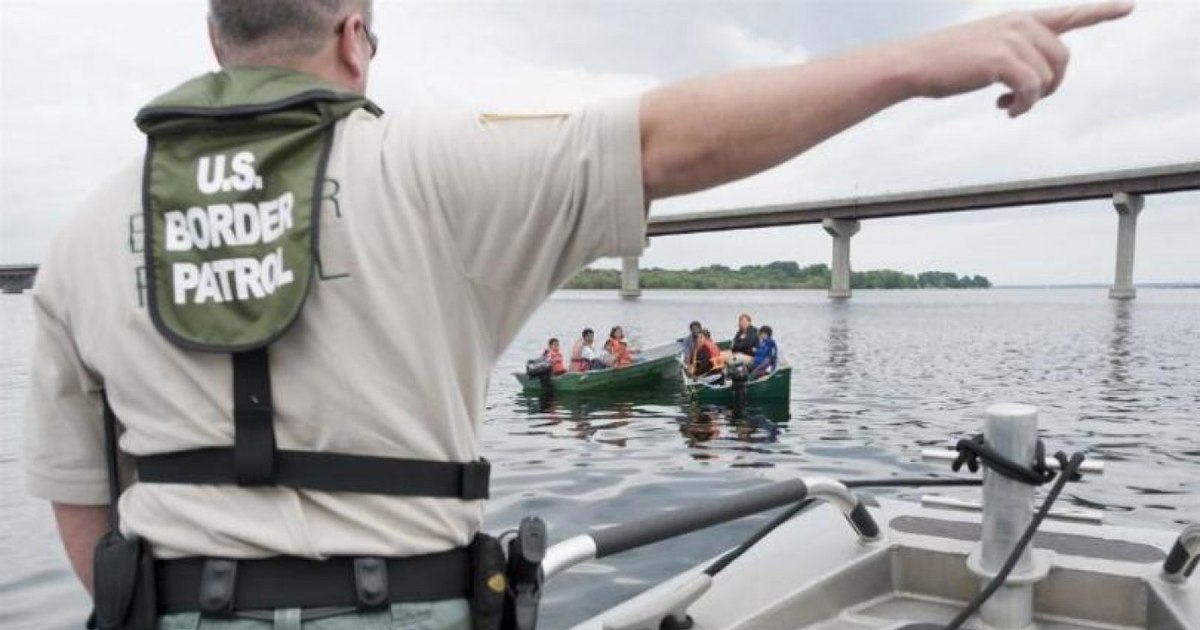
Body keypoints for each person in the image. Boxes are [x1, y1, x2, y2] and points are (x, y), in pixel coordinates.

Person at [23, 0, 1133, 627]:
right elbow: (667, 139)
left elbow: (85, 522)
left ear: (215, 40)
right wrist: (921, 57)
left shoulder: (76, 239)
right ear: (356, 33)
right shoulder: (430, 164)